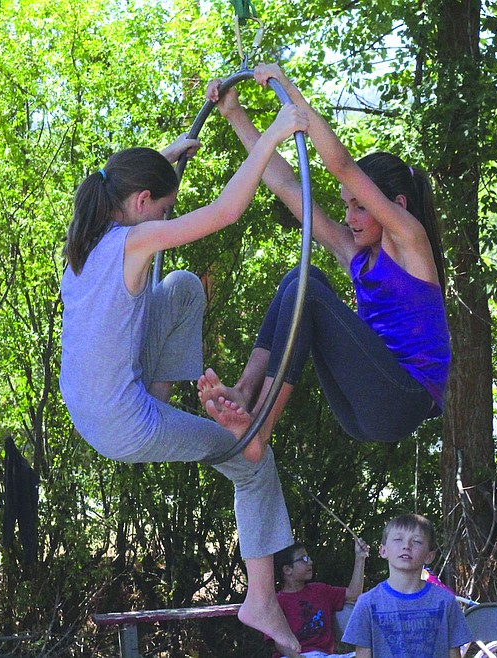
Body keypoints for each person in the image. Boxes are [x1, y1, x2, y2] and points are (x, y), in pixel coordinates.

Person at [59, 103, 309, 653]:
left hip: (92, 406)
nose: (166, 220)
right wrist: (273, 133)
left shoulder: (82, 242)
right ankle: (261, 599)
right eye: (164, 210)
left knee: (181, 289)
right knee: (253, 459)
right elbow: (224, 212)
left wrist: (167, 156)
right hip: (124, 424)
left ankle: (161, 398)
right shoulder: (133, 243)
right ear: (141, 203)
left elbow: (126, 183)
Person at [199, 65, 450, 464]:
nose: (349, 218)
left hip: (403, 400)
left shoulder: (410, 241)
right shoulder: (355, 253)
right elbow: (286, 185)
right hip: (363, 410)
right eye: (347, 206)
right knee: (302, 277)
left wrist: (287, 87)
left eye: (360, 206)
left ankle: (260, 427)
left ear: (396, 206)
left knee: (311, 294)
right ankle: (245, 392)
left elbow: (343, 165)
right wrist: (234, 114)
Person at [341, 514, 472, 657]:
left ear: (429, 556)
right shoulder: (367, 603)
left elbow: (454, 654)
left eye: (416, 541)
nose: (406, 546)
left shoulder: (446, 601)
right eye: (398, 539)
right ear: (383, 551)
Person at [271, 538, 369, 658]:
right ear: (287, 570)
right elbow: (279, 642)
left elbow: (354, 594)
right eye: (304, 559)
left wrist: (360, 558)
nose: (310, 562)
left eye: (308, 558)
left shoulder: (320, 590)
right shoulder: (276, 602)